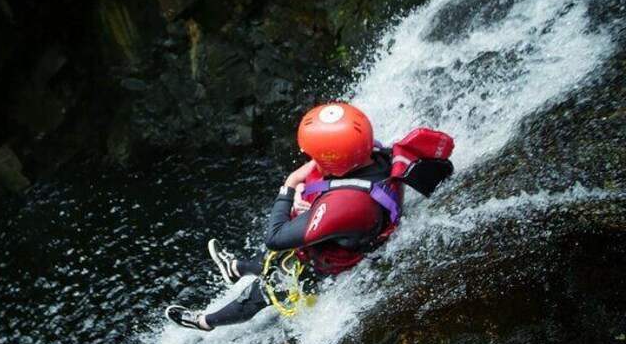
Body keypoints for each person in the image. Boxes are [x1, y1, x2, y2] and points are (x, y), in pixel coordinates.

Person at [165, 102, 454, 331]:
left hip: (329, 263)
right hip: (352, 231)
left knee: (260, 292)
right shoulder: (376, 154)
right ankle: (236, 268)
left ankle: (205, 322)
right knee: (277, 260)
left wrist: (290, 184)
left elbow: (275, 238)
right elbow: (332, 178)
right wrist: (310, 190)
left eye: (315, 156)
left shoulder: (347, 205)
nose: (310, 160)